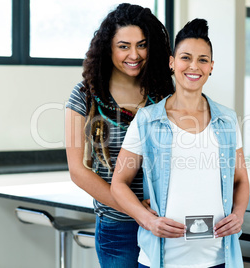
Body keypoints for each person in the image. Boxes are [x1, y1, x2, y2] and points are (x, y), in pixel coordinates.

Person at [111, 18, 250, 268]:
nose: (194, 66)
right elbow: (119, 184)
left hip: (219, 259)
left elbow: (240, 180)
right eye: (185, 57)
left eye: (203, 59)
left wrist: (238, 215)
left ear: (211, 67)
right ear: (172, 63)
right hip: (161, 260)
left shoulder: (227, 120)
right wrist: (147, 220)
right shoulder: (147, 120)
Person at [65, 3, 174, 267]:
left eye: (142, 44)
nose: (134, 54)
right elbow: (77, 170)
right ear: (108, 48)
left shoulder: (163, 93)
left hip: (163, 223)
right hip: (117, 228)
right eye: (124, 46)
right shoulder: (84, 95)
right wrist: (138, 213)